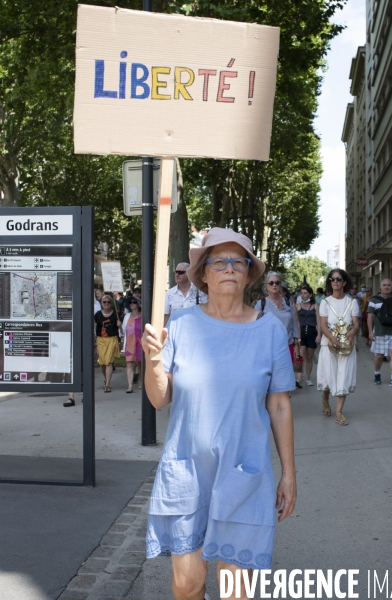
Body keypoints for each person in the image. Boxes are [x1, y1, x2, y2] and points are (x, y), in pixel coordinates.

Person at [141, 227, 296, 600]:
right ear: (204, 274)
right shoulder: (180, 325)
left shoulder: (269, 330)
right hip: (188, 469)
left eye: (237, 262)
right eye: (219, 261)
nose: (229, 268)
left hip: (244, 472)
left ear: (248, 274)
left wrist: (289, 474)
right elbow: (159, 399)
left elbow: (279, 405)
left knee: (235, 590)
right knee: (187, 582)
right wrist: (154, 360)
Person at [317, 269, 360, 426]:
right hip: (328, 344)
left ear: (344, 282)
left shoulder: (352, 302)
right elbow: (322, 325)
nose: (335, 281)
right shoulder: (325, 302)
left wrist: (353, 332)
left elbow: (356, 324)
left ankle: (339, 413)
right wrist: (332, 338)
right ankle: (325, 399)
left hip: (347, 345)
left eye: (338, 279)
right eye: (332, 279)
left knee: (343, 376)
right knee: (329, 377)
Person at [254, 272, 301, 387]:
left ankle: (283, 401)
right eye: (271, 283)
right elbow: (255, 328)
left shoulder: (289, 303)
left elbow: (294, 324)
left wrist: (297, 344)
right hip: (268, 348)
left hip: (287, 346)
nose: (274, 285)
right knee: (269, 382)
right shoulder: (261, 304)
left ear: (280, 285)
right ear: (266, 286)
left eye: (277, 282)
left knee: (285, 381)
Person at [367, 279, 392, 387]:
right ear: (380, 288)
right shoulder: (374, 300)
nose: (387, 287)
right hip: (380, 332)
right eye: (384, 285)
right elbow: (370, 316)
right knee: (379, 356)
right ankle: (377, 373)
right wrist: (370, 332)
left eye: (389, 285)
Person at [94, 295, 121, 392]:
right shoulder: (97, 315)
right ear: (101, 303)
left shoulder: (115, 314)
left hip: (112, 339)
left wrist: (120, 326)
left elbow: (121, 330)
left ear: (111, 303)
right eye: (104, 302)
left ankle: (108, 384)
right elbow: (95, 327)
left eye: (108, 302)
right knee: (102, 363)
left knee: (109, 362)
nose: (106, 304)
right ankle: (106, 379)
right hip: (101, 340)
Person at [297, 284, 318, 386]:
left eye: (305, 293)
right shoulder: (297, 306)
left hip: (311, 332)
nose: (303, 295)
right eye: (301, 293)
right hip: (301, 332)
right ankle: (299, 378)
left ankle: (308, 378)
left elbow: (319, 321)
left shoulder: (315, 306)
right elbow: (296, 322)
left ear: (310, 294)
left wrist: (319, 336)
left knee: (309, 357)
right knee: (301, 356)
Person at [122, 297, 143, 393]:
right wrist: (119, 327)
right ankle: (130, 386)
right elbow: (122, 332)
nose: (132, 304)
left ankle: (140, 381)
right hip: (130, 343)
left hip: (141, 343)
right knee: (129, 364)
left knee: (140, 363)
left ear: (138, 304)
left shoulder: (144, 316)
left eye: (134, 302)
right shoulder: (127, 316)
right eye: (130, 302)